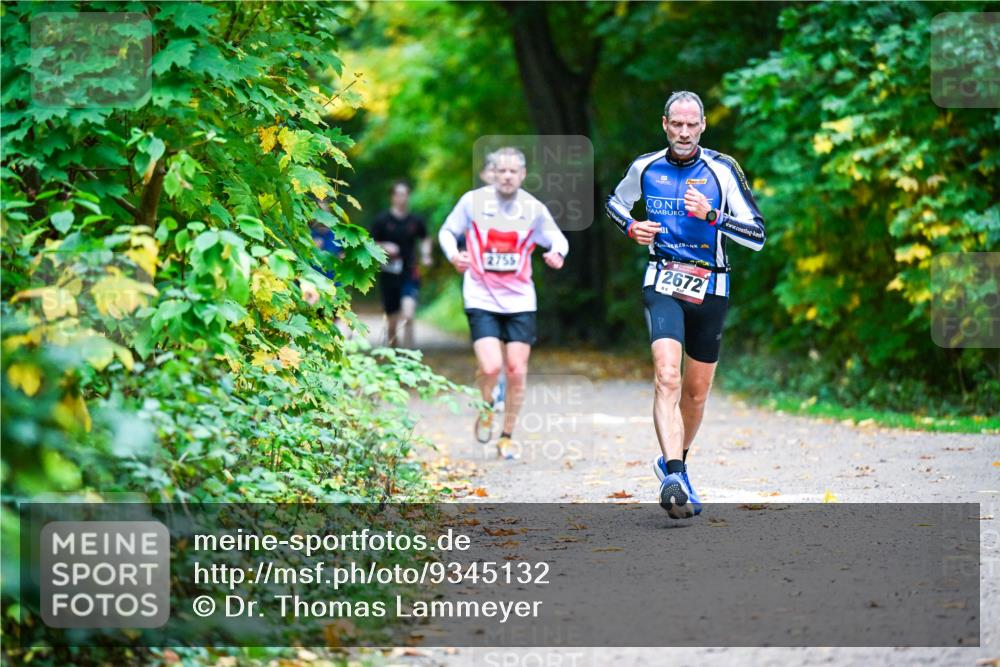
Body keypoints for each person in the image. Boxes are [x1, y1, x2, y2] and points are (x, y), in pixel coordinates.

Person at [606, 91, 766, 518]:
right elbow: (614, 203)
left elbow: (757, 235)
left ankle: (675, 461)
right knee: (667, 377)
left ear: (703, 125)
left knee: (695, 394)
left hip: (712, 286)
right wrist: (631, 227)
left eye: (691, 125)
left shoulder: (722, 169)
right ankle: (674, 478)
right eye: (676, 124)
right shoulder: (645, 167)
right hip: (662, 280)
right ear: (664, 124)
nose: (683, 132)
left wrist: (713, 216)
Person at [439, 147, 568, 459]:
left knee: (516, 370)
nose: (507, 176)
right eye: (502, 171)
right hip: (480, 295)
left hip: (520, 300)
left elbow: (558, 238)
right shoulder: (472, 202)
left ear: (522, 175)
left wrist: (557, 253)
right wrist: (454, 255)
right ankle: (487, 407)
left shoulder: (533, 208)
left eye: (513, 171)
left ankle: (507, 436)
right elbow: (447, 232)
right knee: (491, 366)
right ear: (492, 174)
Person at [371, 181, 432, 348]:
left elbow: (425, 238)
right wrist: (385, 246)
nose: (402, 198)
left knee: (408, 316)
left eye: (404, 194)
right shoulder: (382, 220)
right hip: (388, 273)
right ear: (392, 197)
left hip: (409, 271)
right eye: (398, 194)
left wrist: (426, 254)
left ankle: (409, 356)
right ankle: (394, 353)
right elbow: (369, 243)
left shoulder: (415, 220)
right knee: (392, 322)